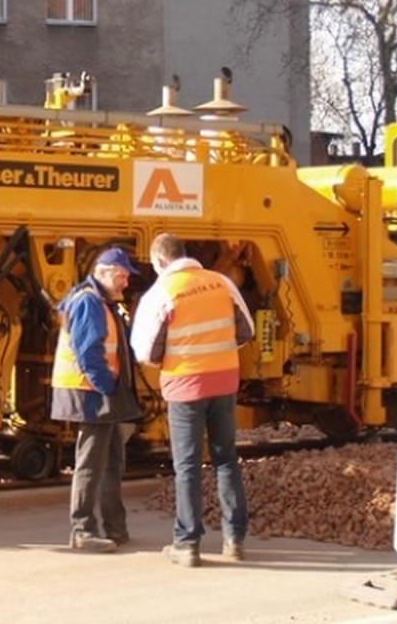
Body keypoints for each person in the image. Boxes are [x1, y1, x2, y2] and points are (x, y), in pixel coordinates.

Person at [130, 233, 254, 567]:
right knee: (226, 459)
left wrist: (172, 360)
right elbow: (247, 331)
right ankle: (235, 540)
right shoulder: (221, 283)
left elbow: (143, 349)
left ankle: (187, 545)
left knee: (187, 466)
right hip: (224, 382)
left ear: (159, 261)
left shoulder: (161, 293)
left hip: (185, 387)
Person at [51, 246, 143, 553]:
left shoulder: (97, 300)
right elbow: (89, 352)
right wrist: (107, 388)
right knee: (91, 463)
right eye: (122, 276)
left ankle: (115, 527)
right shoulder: (90, 302)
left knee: (112, 461)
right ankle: (82, 531)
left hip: (100, 392)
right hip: (92, 393)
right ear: (103, 272)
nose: (126, 283)